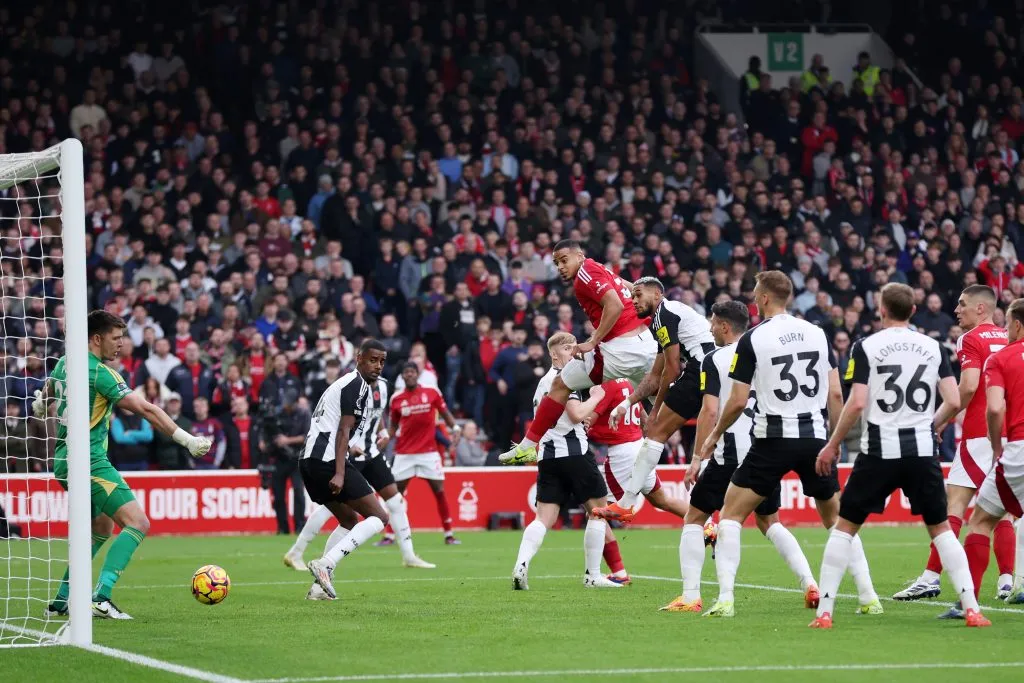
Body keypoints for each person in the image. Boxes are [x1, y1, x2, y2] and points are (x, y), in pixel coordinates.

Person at [694, 271, 879, 618]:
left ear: (764, 298)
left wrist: (715, 434)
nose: (752, 297)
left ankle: (726, 600)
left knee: (731, 515)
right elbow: (836, 392)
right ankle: (869, 597)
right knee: (839, 522)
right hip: (813, 437)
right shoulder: (818, 333)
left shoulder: (753, 338)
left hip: (771, 440)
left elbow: (736, 401)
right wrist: (834, 440)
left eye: (754, 292)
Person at [810, 283, 989, 628]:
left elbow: (858, 402)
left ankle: (825, 614)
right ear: (912, 311)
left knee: (845, 528)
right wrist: (932, 425)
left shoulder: (866, 346)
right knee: (940, 529)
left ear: (882, 309)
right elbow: (953, 400)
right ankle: (972, 609)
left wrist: (833, 443)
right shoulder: (934, 347)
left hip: (879, 449)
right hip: (921, 450)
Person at [36, 310, 211, 620]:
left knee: (101, 528)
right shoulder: (101, 373)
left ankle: (63, 599)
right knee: (138, 522)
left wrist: (40, 401)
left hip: (64, 460)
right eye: (116, 339)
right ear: (96, 338)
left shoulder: (66, 362)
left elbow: (49, 387)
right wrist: (187, 440)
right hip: (89, 462)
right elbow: (146, 409)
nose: (121, 345)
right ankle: (101, 598)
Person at [661, 301, 821, 613]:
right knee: (769, 521)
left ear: (723, 326)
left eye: (712, 323)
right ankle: (809, 582)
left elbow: (709, 410)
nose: (709, 329)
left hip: (729, 454)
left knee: (695, 518)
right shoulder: (765, 352)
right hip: (764, 449)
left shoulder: (714, 359)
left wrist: (698, 457)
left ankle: (691, 596)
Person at [894, 285, 1015, 601]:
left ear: (980, 308)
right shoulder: (1008, 338)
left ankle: (931, 577)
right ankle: (1005, 581)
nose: (956, 309)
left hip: (978, 433)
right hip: (1006, 434)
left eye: (962, 304)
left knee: (955, 505)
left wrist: (936, 421)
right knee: (999, 511)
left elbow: (967, 388)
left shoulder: (970, 339)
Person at [498, 240, 656, 465]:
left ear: (579, 256)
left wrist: (593, 341)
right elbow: (632, 288)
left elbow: (615, 305)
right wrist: (659, 306)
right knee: (664, 408)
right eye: (556, 263)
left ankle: (528, 446)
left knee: (561, 384)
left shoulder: (585, 273)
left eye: (564, 260)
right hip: (646, 344)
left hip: (621, 350)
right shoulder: (599, 267)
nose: (560, 267)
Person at [284, 368, 434, 580]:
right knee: (340, 510)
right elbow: (343, 426)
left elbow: (377, 412)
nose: (376, 370)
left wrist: (383, 431)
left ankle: (408, 555)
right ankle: (298, 552)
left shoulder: (381, 386)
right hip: (346, 451)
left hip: (370, 452)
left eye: (381, 363)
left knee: (395, 500)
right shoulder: (351, 389)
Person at [592, 275, 715, 521]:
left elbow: (671, 370)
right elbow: (654, 375)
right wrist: (627, 404)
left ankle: (626, 503)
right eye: (632, 295)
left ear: (657, 295)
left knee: (656, 432)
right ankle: (709, 519)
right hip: (712, 370)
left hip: (700, 369)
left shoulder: (663, 315)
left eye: (638, 295)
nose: (633, 300)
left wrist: (655, 411)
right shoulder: (664, 318)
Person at [509, 332, 622, 590]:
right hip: (574, 454)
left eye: (574, 347)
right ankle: (592, 575)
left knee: (543, 519)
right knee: (598, 513)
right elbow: (574, 414)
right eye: (568, 348)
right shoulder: (565, 379)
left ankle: (521, 564)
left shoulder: (543, 382)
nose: (574, 352)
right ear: (554, 353)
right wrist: (597, 396)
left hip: (548, 456)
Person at [302, 339, 392, 600]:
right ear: (359, 358)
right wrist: (340, 472)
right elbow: (342, 431)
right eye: (373, 360)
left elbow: (335, 427)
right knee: (380, 517)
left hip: (309, 461)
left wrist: (350, 449)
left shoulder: (345, 384)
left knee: (349, 520)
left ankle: (319, 588)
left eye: (382, 362)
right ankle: (325, 565)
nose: (378, 366)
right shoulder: (356, 386)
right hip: (326, 462)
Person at [964, 297, 1024, 607]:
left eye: (1008, 325)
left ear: (1016, 325)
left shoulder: (1001, 359)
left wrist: (997, 446)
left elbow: (995, 407)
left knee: (980, 520)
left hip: (1018, 449)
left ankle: (969, 603)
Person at [389, 362, 463, 545]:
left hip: (428, 453)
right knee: (395, 494)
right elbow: (393, 425)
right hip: (404, 453)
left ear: (417, 374)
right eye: (406, 372)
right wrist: (383, 438)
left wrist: (454, 427)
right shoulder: (396, 399)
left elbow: (445, 412)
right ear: (402, 377)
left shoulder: (432, 393)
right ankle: (389, 535)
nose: (410, 375)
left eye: (412, 372)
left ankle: (448, 534)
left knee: (439, 491)